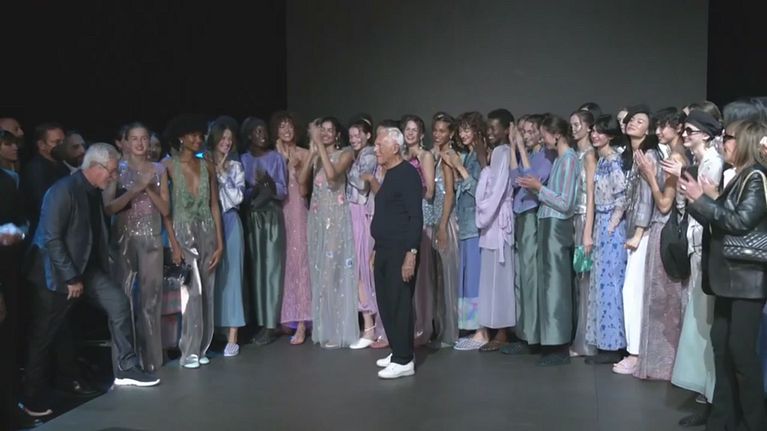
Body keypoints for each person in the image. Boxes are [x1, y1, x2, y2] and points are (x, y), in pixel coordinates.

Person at [23, 144, 160, 417]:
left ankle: (126, 368)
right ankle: (30, 398)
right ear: (96, 167)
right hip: (55, 273)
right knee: (44, 336)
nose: (114, 176)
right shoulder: (62, 191)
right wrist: (71, 277)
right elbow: (51, 239)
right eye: (111, 171)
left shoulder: (93, 191)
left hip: (84, 267)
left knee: (118, 303)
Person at [680, 119, 767, 431]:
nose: (722, 142)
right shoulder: (740, 176)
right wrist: (696, 199)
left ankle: (754, 422)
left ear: (744, 142)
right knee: (722, 349)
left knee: (741, 354)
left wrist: (703, 199)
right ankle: (722, 420)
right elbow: (720, 220)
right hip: (730, 279)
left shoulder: (755, 177)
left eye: (728, 137)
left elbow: (740, 223)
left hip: (747, 281)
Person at [103, 123, 170, 373]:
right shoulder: (117, 169)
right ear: (126, 142)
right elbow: (108, 208)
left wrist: (148, 188)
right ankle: (125, 360)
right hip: (124, 239)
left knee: (151, 299)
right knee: (123, 300)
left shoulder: (159, 169)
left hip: (152, 238)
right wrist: (134, 189)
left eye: (144, 138)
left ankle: (152, 359)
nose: (140, 143)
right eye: (135, 139)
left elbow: (166, 209)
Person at [517, 114, 580, 366]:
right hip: (547, 224)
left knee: (556, 286)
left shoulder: (569, 160)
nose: (542, 140)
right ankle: (549, 341)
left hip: (557, 227)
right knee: (547, 285)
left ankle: (559, 345)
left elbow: (566, 202)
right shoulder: (560, 160)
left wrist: (538, 188)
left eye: (544, 135)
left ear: (556, 134)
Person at [163, 114, 224, 369]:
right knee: (192, 291)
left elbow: (214, 205)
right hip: (183, 232)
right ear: (181, 137)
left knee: (208, 290)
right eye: (193, 135)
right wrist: (174, 244)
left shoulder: (207, 165)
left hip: (207, 230)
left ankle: (201, 347)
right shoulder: (168, 166)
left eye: (200, 135)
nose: (198, 139)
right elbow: (166, 210)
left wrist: (220, 242)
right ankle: (188, 349)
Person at [300, 117, 358, 348]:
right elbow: (302, 185)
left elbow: (333, 176)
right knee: (319, 273)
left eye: (328, 130)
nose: (324, 134)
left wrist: (321, 149)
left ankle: (339, 330)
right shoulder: (317, 156)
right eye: (321, 130)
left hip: (336, 220)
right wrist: (312, 154)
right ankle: (324, 328)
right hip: (317, 219)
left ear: (337, 134)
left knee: (332, 273)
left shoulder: (346, 153)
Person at [371, 126, 423, 379]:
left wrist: (411, 254)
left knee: (399, 304)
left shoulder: (408, 174)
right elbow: (386, 214)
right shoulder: (390, 174)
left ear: (394, 147)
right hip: (384, 249)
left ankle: (404, 359)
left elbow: (415, 217)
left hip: (400, 251)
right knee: (386, 303)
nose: (375, 149)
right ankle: (397, 351)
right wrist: (375, 248)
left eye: (379, 145)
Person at [613, 105, 660, 375]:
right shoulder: (634, 155)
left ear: (649, 129)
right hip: (636, 230)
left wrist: (639, 233)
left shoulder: (648, 155)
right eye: (631, 120)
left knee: (633, 292)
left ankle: (636, 354)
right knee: (631, 291)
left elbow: (645, 196)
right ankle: (635, 352)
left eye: (640, 121)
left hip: (644, 232)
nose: (632, 123)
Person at [505, 114, 554, 355]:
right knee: (520, 277)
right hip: (520, 215)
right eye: (522, 131)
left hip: (532, 216)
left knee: (531, 276)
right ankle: (523, 332)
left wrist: (522, 150)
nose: (525, 136)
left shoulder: (546, 156)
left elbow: (532, 180)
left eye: (529, 131)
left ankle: (534, 335)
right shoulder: (529, 154)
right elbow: (515, 180)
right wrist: (514, 148)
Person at [584, 115, 628, 365]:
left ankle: (613, 345)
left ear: (610, 135)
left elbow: (622, 197)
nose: (595, 135)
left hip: (611, 227)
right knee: (601, 285)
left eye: (601, 131)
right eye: (594, 131)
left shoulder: (612, 161)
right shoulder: (602, 160)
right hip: (602, 225)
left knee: (610, 284)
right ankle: (604, 343)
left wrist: (610, 227)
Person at [240, 117, 287, 346]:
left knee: (271, 270)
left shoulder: (276, 158)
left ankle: (271, 323)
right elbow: (240, 192)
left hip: (271, 217)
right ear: (249, 135)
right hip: (252, 218)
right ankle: (260, 322)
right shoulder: (243, 159)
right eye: (257, 131)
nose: (263, 135)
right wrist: (255, 189)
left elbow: (282, 190)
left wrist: (268, 183)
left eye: (264, 131)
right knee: (256, 271)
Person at [346, 117, 386, 349]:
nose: (354, 139)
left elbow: (363, 184)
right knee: (359, 271)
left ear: (368, 135)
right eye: (351, 136)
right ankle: (370, 326)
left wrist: (346, 167)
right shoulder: (361, 155)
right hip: (355, 213)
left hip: (362, 214)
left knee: (364, 271)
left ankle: (372, 328)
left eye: (358, 134)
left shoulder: (369, 155)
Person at [273, 112, 312, 345]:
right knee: (284, 264)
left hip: (297, 209)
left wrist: (295, 168)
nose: (286, 130)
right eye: (281, 127)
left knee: (300, 263)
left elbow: (305, 190)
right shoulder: (273, 154)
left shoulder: (304, 153)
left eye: (289, 126)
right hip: (278, 212)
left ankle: (302, 321)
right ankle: (287, 316)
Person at [208, 117, 246, 357]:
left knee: (232, 278)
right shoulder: (203, 163)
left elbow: (238, 197)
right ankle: (211, 332)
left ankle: (233, 335)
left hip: (230, 220)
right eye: (223, 138)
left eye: (230, 139)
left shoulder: (235, 167)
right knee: (211, 279)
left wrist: (222, 174)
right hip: (208, 224)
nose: (227, 143)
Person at [449, 112, 486, 349]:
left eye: (467, 129)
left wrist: (459, 168)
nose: (463, 134)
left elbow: (480, 190)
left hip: (476, 225)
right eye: (460, 130)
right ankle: (472, 328)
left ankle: (481, 330)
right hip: (464, 224)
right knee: (467, 278)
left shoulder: (481, 155)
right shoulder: (469, 154)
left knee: (474, 279)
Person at [402, 114, 437, 346]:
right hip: (402, 216)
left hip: (421, 214)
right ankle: (408, 325)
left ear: (421, 134)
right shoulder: (401, 156)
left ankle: (423, 327)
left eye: (414, 129)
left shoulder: (425, 156)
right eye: (407, 129)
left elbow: (430, 190)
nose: (410, 133)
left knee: (421, 274)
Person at [430, 112, 460, 347]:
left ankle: (451, 331)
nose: (437, 134)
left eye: (442, 131)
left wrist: (442, 225)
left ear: (451, 133)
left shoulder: (449, 157)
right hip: (434, 219)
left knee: (448, 277)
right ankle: (439, 329)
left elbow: (449, 193)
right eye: (435, 130)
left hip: (446, 222)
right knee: (438, 278)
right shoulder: (435, 156)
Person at [569, 110, 597, 358]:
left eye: (578, 125)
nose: (574, 129)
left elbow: (591, 196)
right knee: (580, 278)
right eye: (572, 125)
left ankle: (587, 342)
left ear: (589, 127)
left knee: (586, 277)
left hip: (585, 221)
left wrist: (587, 231)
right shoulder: (576, 154)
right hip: (575, 220)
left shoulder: (589, 156)